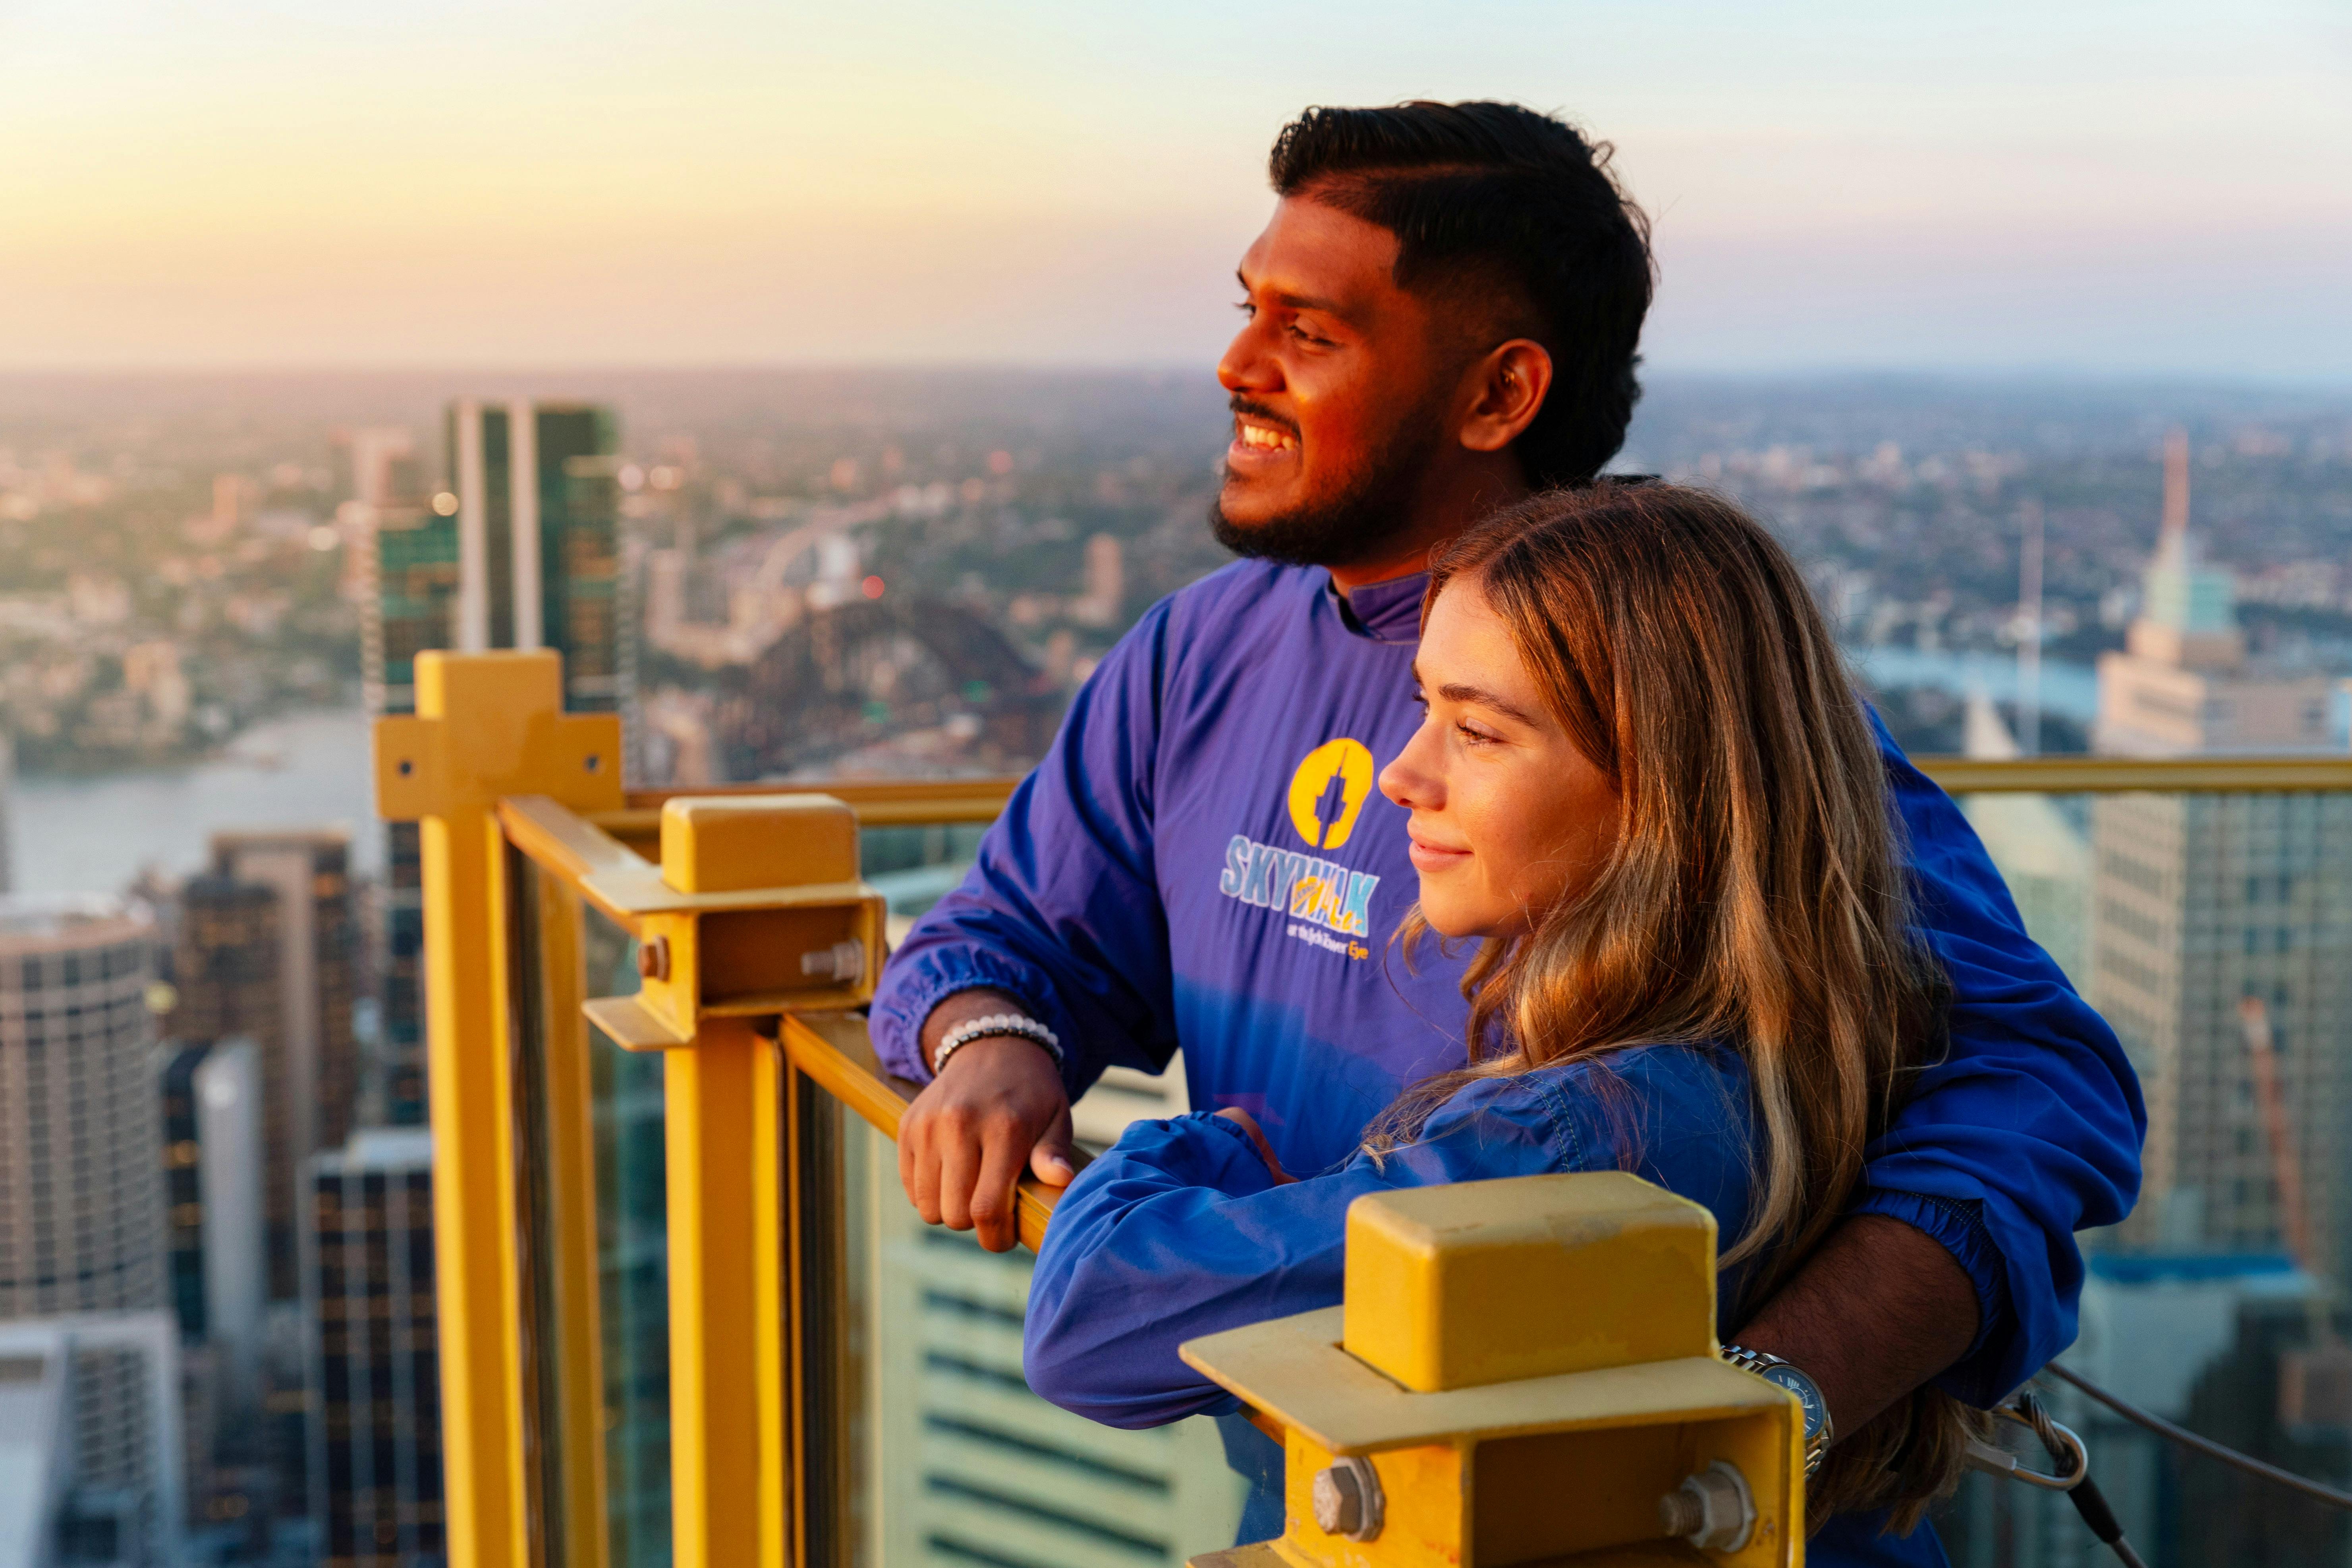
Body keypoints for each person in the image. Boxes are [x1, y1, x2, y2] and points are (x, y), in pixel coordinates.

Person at [873, 99, 2141, 1554]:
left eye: (1311, 329)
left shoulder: (1678, 703)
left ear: (1497, 395)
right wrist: (986, 1040)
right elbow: (1012, 933)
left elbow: (2042, 1092)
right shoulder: (1199, 654)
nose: (1235, 366)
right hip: (1333, 1486)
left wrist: (1760, 1409)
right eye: (1248, 312)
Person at [1024, 482, 1989, 1556]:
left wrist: (1205, 1145)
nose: (1403, 774)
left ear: (1658, 792)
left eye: (1477, 731)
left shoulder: (1578, 1141)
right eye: (1422, 706)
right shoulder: (1808, 1045)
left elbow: (1090, 1322)